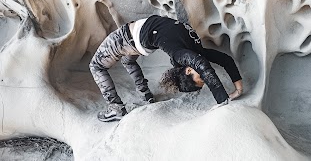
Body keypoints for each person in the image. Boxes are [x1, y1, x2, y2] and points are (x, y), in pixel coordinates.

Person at [89, 15, 243, 122]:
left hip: (126, 38)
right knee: (128, 61)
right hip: (137, 41)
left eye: (200, 78)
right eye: (202, 78)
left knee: (96, 66)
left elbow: (202, 65)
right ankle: (146, 95)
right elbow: (225, 60)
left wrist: (224, 101)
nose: (204, 74)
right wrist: (236, 90)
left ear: (188, 70)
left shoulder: (179, 55)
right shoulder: (195, 53)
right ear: (189, 70)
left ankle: (116, 108)